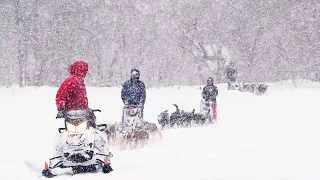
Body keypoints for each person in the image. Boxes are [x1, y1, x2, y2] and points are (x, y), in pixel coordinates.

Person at [55, 60, 96, 127]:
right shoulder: (73, 80)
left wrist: (86, 109)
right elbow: (60, 95)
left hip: (81, 113)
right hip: (73, 115)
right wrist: (61, 109)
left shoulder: (78, 80)